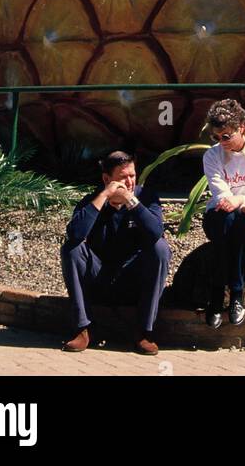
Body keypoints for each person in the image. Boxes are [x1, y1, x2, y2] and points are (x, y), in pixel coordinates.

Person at [60, 150, 170, 356]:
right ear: (106, 179)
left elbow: (156, 232)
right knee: (71, 248)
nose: (129, 182)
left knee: (160, 248)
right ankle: (83, 329)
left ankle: (144, 332)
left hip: (133, 279)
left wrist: (130, 200)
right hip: (99, 278)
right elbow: (74, 234)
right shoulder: (93, 200)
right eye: (122, 177)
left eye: (132, 175)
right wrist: (104, 196)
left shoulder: (147, 198)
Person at [201, 99, 245, 329]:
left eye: (226, 136)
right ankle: (232, 295)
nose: (221, 142)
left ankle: (226, 296)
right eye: (215, 137)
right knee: (229, 221)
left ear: (242, 128)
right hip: (221, 215)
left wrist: (241, 201)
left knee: (243, 225)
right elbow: (221, 195)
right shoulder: (211, 156)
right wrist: (237, 203)